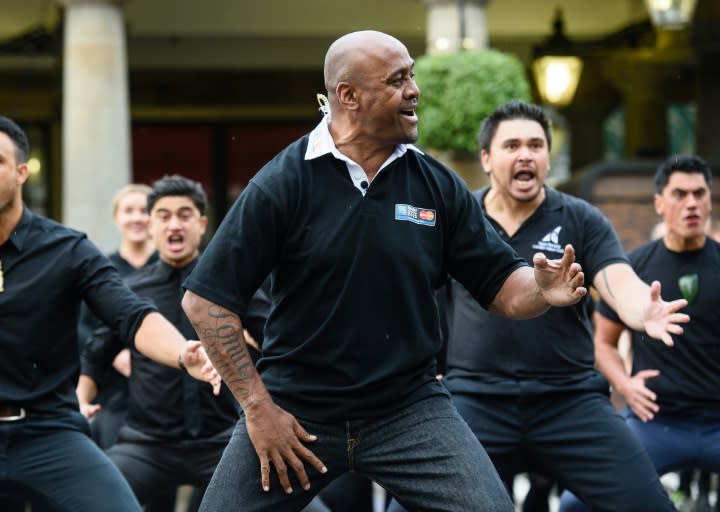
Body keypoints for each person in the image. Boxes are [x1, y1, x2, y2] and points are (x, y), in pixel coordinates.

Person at [180, 30, 591, 512]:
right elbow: (206, 302)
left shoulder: (435, 184)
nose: (414, 90)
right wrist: (257, 409)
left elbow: (503, 287)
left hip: (410, 409)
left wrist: (542, 290)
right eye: (398, 80)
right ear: (348, 96)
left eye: (412, 75)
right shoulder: (282, 183)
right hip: (297, 408)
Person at [427, 101, 688, 512]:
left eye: (535, 145)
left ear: (548, 157)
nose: (525, 154)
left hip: (569, 401)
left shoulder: (581, 219)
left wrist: (643, 311)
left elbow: (617, 279)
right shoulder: (460, 219)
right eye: (511, 145)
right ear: (487, 158)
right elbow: (422, 294)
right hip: (475, 401)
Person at [0, 115, 218, 511]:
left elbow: (131, 315)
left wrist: (183, 354)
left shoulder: (67, 250)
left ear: (21, 172)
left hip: (48, 433)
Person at [558, 155, 720, 511]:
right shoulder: (632, 268)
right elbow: (602, 344)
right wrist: (626, 385)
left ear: (709, 200)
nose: (691, 203)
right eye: (679, 194)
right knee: (574, 505)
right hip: (655, 421)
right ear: (659, 203)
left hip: (716, 422)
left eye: (699, 193)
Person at [76, 175, 238, 509]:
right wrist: (80, 403)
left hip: (222, 442)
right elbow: (95, 354)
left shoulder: (232, 284)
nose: (174, 225)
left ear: (202, 223)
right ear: (151, 225)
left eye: (184, 215)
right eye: (164, 216)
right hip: (145, 445)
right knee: (86, 500)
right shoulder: (129, 291)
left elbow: (274, 342)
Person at [77, 183, 158, 450]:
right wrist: (113, 354)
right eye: (129, 210)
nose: (137, 218)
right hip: (114, 394)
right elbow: (82, 325)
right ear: (116, 218)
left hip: (164, 394)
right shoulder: (101, 268)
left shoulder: (168, 266)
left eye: (144, 210)